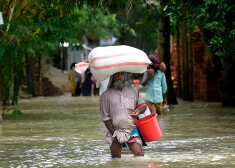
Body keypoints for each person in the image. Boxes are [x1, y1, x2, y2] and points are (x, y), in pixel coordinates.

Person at [100, 72, 146, 158]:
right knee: (116, 159)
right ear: (112, 77)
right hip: (115, 131)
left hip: (132, 129)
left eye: (121, 74)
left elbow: (143, 106)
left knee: (139, 155)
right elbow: (106, 118)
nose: (119, 76)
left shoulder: (134, 91)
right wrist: (114, 133)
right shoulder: (105, 95)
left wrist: (138, 111)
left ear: (125, 76)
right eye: (117, 74)